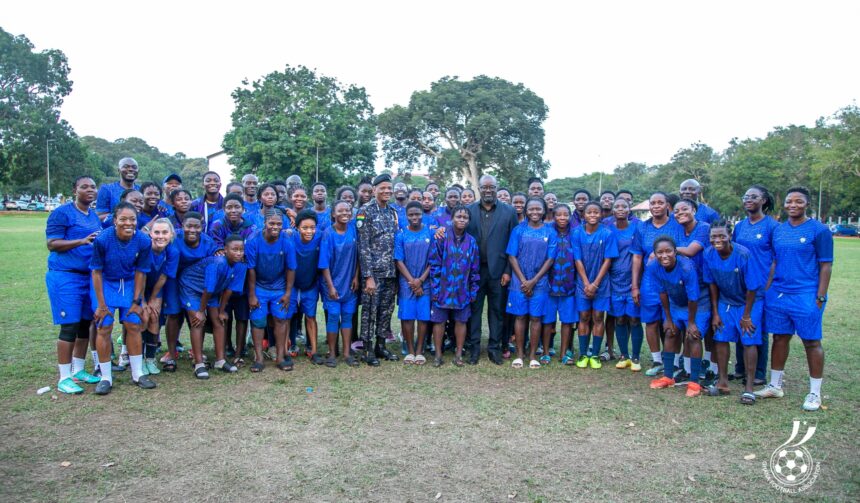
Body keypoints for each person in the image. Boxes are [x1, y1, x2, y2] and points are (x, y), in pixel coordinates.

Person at [755, 187, 832, 411]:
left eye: (798, 201)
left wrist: (820, 295)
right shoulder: (778, 230)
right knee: (780, 338)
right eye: (789, 201)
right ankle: (775, 385)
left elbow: (826, 264)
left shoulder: (819, 230)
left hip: (806, 293)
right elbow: (775, 262)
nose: (793, 205)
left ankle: (815, 393)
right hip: (779, 294)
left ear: (806, 204)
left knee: (811, 341)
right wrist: (768, 289)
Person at [90, 202, 155, 395]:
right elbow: (96, 273)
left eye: (132, 219)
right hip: (106, 283)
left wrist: (137, 301)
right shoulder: (102, 239)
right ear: (114, 220)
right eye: (123, 219)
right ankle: (105, 377)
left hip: (128, 283)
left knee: (133, 325)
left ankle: (137, 373)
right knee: (104, 326)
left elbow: (141, 272)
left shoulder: (143, 241)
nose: (128, 223)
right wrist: (101, 304)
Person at [45, 176, 102, 394]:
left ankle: (78, 370)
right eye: (84, 187)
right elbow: (52, 244)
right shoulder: (62, 213)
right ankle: (64, 376)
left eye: (93, 187)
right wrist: (80, 241)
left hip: (87, 276)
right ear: (74, 190)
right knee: (68, 325)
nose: (90, 190)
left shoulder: (93, 215)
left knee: (84, 324)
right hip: (65, 275)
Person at [703, 221, 765, 404]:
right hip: (725, 302)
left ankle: (749, 388)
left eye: (722, 236)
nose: (717, 240)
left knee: (748, 340)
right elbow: (711, 284)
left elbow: (752, 288)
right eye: (713, 236)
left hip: (749, 302)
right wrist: (715, 312)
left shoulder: (743, 254)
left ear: (730, 236)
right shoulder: (708, 254)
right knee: (720, 338)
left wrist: (746, 316)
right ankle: (722, 382)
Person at [465, 175, 519, 365]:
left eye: (492, 187)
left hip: (499, 272)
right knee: (474, 311)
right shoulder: (469, 210)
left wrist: (508, 271)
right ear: (479, 189)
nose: (488, 190)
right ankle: (473, 349)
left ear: (497, 188)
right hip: (474, 272)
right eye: (484, 187)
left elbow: (513, 244)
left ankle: (494, 349)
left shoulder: (509, 212)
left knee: (497, 312)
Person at [647, 236, 710, 397]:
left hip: (697, 304)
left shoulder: (686, 267)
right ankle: (668, 376)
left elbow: (693, 297)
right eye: (659, 252)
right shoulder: (654, 267)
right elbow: (662, 293)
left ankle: (694, 382)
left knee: (693, 336)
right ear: (655, 254)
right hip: (675, 303)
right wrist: (668, 319)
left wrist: (691, 323)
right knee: (670, 332)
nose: (664, 255)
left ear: (675, 252)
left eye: (668, 251)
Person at [179, 236, 246, 379]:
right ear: (225, 250)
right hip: (191, 287)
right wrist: (201, 311)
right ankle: (199, 364)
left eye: (241, 250)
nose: (238, 253)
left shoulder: (241, 266)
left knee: (219, 321)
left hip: (212, 291)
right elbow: (207, 289)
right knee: (198, 322)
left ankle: (220, 361)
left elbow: (229, 290)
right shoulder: (218, 263)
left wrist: (222, 311)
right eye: (235, 250)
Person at [160, 212, 219, 372]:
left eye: (196, 226)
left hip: (195, 283)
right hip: (173, 278)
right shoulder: (174, 238)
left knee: (194, 317)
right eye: (188, 226)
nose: (192, 230)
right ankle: (172, 354)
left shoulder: (208, 242)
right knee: (173, 315)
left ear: (202, 227)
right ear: (182, 226)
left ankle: (196, 354)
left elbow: (213, 264)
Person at [631, 192, 681, 376]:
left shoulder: (676, 225)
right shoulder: (642, 227)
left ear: (667, 205)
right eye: (653, 203)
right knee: (651, 322)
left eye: (660, 202)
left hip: (672, 280)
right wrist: (635, 285)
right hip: (649, 283)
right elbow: (637, 256)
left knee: (672, 321)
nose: (656, 206)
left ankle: (675, 362)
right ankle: (657, 360)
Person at [732, 185, 778, 385]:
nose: (749, 199)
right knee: (742, 324)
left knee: (758, 328)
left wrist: (768, 284)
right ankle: (741, 369)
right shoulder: (740, 226)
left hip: (762, 286)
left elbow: (777, 259)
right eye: (746, 196)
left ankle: (758, 373)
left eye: (754, 196)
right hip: (741, 286)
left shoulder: (771, 226)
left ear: (764, 200)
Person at [507, 197, 558, 369]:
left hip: (540, 282)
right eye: (531, 209)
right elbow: (511, 256)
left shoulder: (550, 232)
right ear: (526, 211)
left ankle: (532, 355)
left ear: (544, 210)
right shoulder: (518, 230)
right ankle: (520, 355)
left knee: (536, 318)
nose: (535, 212)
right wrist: (524, 281)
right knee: (520, 316)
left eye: (538, 209)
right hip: (518, 282)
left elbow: (551, 259)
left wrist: (533, 281)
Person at [428, 206, 480, 367]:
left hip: (462, 290)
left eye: (465, 217)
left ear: (469, 221)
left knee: (461, 321)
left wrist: (473, 290)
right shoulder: (442, 237)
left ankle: (458, 354)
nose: (462, 219)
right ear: (452, 218)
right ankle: (438, 355)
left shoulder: (471, 241)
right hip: (442, 289)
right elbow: (434, 264)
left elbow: (474, 269)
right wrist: (435, 289)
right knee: (439, 322)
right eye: (459, 216)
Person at [357, 174, 400, 365]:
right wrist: (368, 276)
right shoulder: (365, 211)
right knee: (369, 312)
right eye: (382, 188)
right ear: (374, 190)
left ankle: (381, 346)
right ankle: (367, 349)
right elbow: (363, 245)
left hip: (391, 272)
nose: (386, 191)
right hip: (373, 273)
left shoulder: (392, 212)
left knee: (385, 311)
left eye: (389, 188)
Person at [246, 211, 297, 372]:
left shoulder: (286, 242)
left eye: (279, 224)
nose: (275, 227)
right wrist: (252, 294)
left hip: (279, 288)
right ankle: (259, 358)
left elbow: (291, 268)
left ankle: (280, 357)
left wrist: (288, 293)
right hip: (259, 288)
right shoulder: (254, 241)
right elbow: (251, 269)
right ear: (265, 223)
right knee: (258, 321)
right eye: (272, 224)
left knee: (281, 320)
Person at [572, 201, 618, 369]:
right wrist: (586, 283)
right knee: (584, 317)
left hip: (601, 284)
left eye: (596, 212)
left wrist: (595, 284)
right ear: (583, 215)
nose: (592, 215)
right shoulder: (576, 233)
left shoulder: (607, 234)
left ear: (601, 215)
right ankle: (583, 354)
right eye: (589, 212)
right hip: (582, 283)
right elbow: (577, 259)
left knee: (598, 317)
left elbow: (608, 260)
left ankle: (595, 355)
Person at [671, 198, 712, 385]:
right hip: (682, 286)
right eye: (677, 211)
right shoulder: (677, 229)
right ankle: (687, 371)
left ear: (694, 210)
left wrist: (664, 250)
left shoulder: (703, 227)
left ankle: (707, 371)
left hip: (703, 286)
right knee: (683, 331)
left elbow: (690, 251)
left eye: (684, 209)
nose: (680, 213)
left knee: (697, 332)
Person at [319, 200, 361, 367]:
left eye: (348, 210)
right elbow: (324, 264)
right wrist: (330, 286)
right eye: (341, 211)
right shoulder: (328, 234)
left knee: (348, 317)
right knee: (333, 317)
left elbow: (359, 256)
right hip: (332, 283)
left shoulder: (354, 230)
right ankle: (332, 354)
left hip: (350, 283)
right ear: (333, 214)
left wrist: (356, 277)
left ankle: (346, 354)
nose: (345, 213)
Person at [395, 202, 434, 365]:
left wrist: (420, 281)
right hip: (406, 283)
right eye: (411, 214)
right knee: (407, 316)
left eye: (417, 214)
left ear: (422, 214)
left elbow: (433, 260)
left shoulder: (430, 233)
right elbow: (398, 260)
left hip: (425, 281)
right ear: (406, 216)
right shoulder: (401, 235)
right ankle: (410, 351)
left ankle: (420, 351)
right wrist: (412, 281)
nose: (414, 217)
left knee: (423, 317)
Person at [608, 198, 643, 371]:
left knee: (634, 319)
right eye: (617, 207)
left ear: (630, 210)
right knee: (620, 318)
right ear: (613, 211)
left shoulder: (637, 228)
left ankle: (636, 356)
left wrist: (636, 283)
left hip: (633, 280)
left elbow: (640, 254)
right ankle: (624, 355)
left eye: (624, 206)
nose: (621, 209)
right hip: (614, 280)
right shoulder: (607, 229)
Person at [140, 218, 178, 376]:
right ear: (150, 234)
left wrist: (153, 298)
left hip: (156, 288)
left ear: (171, 234)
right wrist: (142, 300)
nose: (160, 236)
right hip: (138, 286)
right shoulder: (144, 248)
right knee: (142, 318)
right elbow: (140, 275)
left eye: (164, 232)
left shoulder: (173, 252)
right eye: (156, 232)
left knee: (154, 317)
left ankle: (150, 358)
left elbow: (163, 277)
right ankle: (138, 359)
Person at [543, 203, 578, 365]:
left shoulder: (576, 233)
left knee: (567, 321)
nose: (562, 218)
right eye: (559, 215)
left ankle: (564, 353)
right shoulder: (548, 231)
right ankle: (545, 352)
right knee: (547, 320)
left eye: (566, 215)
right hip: (549, 285)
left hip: (569, 286)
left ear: (570, 216)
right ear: (554, 216)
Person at [291, 210, 323, 364]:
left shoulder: (320, 237)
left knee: (311, 317)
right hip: (292, 285)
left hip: (310, 285)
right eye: (305, 227)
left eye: (312, 227)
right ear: (297, 227)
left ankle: (314, 350)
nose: (309, 231)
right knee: (288, 317)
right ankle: (288, 348)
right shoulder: (290, 237)